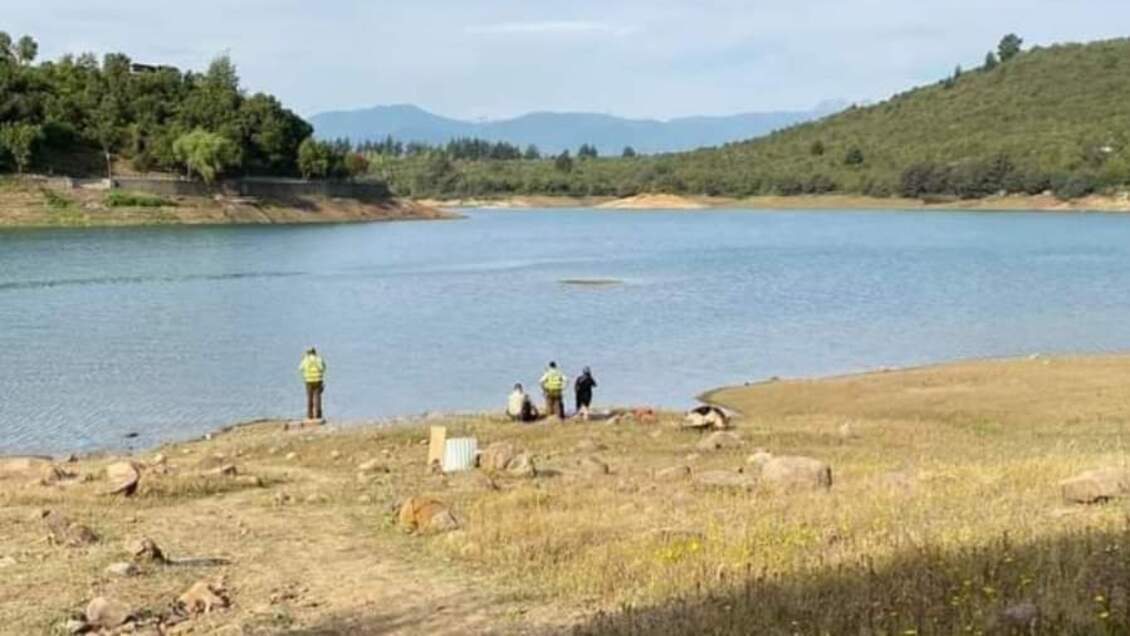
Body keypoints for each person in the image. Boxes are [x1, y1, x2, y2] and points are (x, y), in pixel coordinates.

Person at [299, 347, 326, 421]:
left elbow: (300, 368)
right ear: (315, 352)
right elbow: (323, 368)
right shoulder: (319, 359)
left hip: (308, 381)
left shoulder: (305, 360)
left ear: (307, 353)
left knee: (309, 398)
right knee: (317, 398)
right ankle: (318, 415)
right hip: (318, 380)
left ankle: (310, 415)